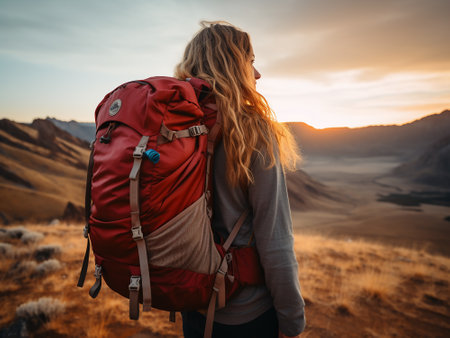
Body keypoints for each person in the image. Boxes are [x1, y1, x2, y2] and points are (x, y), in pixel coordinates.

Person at [175, 21, 306, 338]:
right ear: (232, 67)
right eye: (250, 62)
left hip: (192, 301)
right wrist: (292, 321)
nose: (257, 74)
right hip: (246, 313)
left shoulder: (173, 128)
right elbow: (275, 240)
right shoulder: (252, 132)